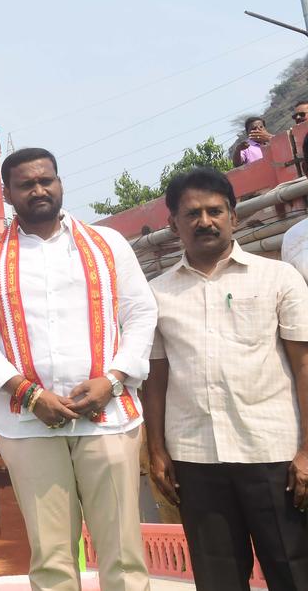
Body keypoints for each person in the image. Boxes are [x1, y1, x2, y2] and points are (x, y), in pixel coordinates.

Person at [0, 148, 157, 591]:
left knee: (123, 552)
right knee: (50, 557)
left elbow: (141, 314)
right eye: (26, 184)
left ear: (60, 182)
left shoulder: (107, 243)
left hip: (108, 418)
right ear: (8, 193)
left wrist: (113, 379)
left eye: (46, 180)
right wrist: (29, 393)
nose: (39, 190)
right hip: (27, 423)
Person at [144, 167, 308, 590]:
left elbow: (304, 365)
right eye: (192, 213)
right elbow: (156, 377)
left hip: (273, 453)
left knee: (294, 569)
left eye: (215, 210)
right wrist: (157, 450)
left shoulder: (278, 278)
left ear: (233, 217)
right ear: (172, 223)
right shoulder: (157, 294)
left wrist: (307, 451)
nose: (205, 221)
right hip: (196, 459)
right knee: (217, 579)